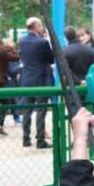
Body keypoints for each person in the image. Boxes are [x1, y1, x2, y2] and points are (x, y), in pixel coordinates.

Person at [19, 17, 55, 149]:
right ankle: (40, 140)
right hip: (41, 80)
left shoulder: (22, 41)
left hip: (27, 80)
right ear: (36, 27)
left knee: (27, 110)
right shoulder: (42, 42)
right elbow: (51, 59)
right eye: (40, 26)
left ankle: (26, 139)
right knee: (41, 110)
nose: (41, 28)